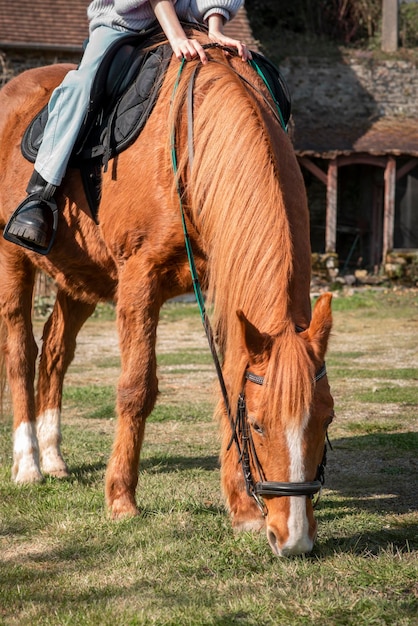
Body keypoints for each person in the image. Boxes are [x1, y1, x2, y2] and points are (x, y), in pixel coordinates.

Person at [4, 0, 251, 254]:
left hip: (190, 25)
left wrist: (215, 26)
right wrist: (175, 37)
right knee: (81, 86)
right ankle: (39, 195)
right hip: (124, 25)